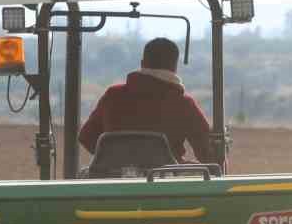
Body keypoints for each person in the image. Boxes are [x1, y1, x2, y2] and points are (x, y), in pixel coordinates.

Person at [77, 37, 217, 168]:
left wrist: (115, 161)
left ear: (142, 64)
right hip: (166, 184)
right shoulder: (184, 104)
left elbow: (86, 137)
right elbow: (208, 155)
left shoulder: (112, 95)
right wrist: (180, 164)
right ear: (175, 68)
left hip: (114, 181)